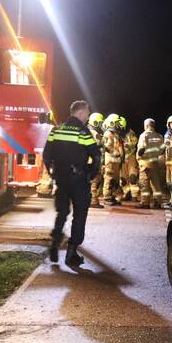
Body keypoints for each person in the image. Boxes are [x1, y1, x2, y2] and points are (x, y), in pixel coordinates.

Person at [42, 100, 101, 270]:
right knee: (79, 215)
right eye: (87, 113)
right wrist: (91, 173)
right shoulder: (83, 132)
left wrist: (53, 173)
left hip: (61, 179)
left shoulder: (57, 129)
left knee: (62, 212)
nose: (88, 117)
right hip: (78, 180)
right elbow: (96, 156)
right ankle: (71, 253)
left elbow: (46, 155)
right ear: (81, 113)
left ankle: (54, 243)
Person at [136, 118, 165, 209]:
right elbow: (162, 149)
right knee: (156, 184)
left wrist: (138, 157)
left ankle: (145, 203)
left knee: (144, 184)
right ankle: (157, 202)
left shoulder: (144, 135)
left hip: (145, 163)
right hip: (156, 163)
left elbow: (141, 148)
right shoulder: (159, 136)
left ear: (147, 125)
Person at [101, 113, 125, 206]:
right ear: (112, 123)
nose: (118, 125)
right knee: (109, 179)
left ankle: (112, 197)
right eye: (117, 123)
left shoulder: (116, 134)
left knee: (115, 180)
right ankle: (107, 198)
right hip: (110, 161)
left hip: (116, 161)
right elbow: (106, 147)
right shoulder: (108, 134)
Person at [87, 112, 106, 209]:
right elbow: (100, 146)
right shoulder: (94, 134)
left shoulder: (86, 131)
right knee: (95, 181)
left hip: (89, 161)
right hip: (93, 161)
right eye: (100, 123)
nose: (101, 125)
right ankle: (93, 201)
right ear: (95, 122)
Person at [121, 118, 139, 203]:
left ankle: (134, 195)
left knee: (133, 177)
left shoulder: (130, 133)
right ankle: (126, 193)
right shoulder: (117, 133)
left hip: (130, 156)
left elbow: (135, 142)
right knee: (123, 178)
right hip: (122, 158)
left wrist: (127, 145)